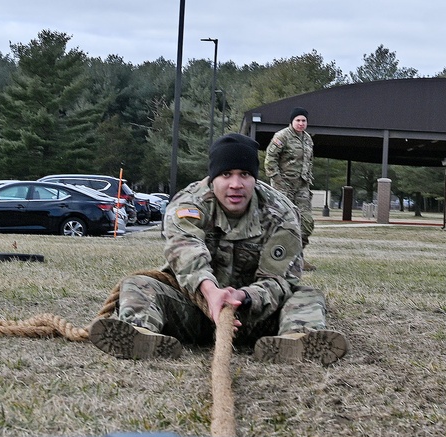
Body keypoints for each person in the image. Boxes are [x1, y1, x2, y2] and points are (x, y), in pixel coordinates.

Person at [89, 133, 348, 365]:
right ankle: (141, 334)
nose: (236, 184)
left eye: (244, 175)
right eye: (226, 175)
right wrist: (210, 292)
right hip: (194, 309)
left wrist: (243, 297)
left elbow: (280, 280)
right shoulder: (190, 202)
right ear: (213, 178)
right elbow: (185, 249)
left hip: (253, 314)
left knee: (307, 295)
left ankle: (296, 340)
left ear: (254, 178)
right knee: (137, 284)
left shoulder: (281, 213)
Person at [264, 106, 315, 269]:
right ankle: (276, 258)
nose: (301, 123)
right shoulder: (281, 136)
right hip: (283, 187)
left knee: (306, 222)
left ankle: (298, 257)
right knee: (283, 222)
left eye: (304, 120)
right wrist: (277, 180)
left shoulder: (307, 139)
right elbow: (270, 158)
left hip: (302, 186)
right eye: (298, 120)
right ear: (292, 121)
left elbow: (309, 161)